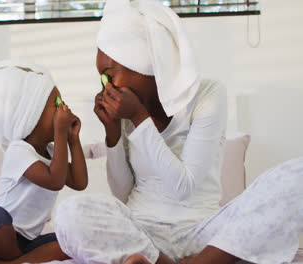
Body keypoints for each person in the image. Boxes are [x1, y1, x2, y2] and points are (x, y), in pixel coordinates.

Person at [53, 1, 303, 264]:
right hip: (142, 233)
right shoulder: (126, 112)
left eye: (108, 75)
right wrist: (113, 132)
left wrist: (140, 118)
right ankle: (162, 261)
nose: (106, 87)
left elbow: (184, 187)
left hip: (204, 233)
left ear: (144, 65)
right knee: (70, 213)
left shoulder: (208, 94)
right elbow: (122, 193)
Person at [0, 58, 88, 264]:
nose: (63, 109)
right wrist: (60, 131)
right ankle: (12, 258)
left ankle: (10, 262)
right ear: (30, 114)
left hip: (27, 242)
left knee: (74, 242)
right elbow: (54, 180)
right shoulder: (18, 151)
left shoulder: (51, 152)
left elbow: (79, 182)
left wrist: (73, 139)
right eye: (56, 105)